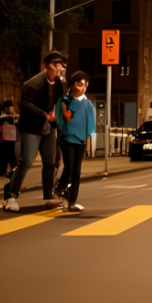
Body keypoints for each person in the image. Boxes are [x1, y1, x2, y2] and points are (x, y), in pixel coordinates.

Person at [3, 50, 67, 212]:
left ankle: (49, 196)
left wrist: (55, 112)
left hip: (48, 128)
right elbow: (25, 103)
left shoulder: (60, 83)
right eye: (56, 64)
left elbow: (62, 100)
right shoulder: (33, 83)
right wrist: (44, 115)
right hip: (31, 127)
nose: (60, 68)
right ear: (47, 66)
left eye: (62, 65)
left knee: (50, 163)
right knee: (26, 162)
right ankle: (11, 195)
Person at [53, 71, 96, 212]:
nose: (82, 88)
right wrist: (64, 131)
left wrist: (89, 140)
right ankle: (60, 186)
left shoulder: (88, 104)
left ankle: (72, 201)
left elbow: (91, 124)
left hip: (81, 140)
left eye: (85, 85)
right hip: (67, 139)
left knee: (76, 171)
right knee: (70, 166)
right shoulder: (64, 101)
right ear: (72, 85)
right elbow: (60, 119)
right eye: (79, 84)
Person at [0, 103, 18, 178]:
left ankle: (3, 170)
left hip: (5, 139)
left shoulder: (2, 119)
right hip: (12, 139)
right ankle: (13, 169)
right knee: (11, 155)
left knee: (3, 156)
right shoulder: (15, 119)